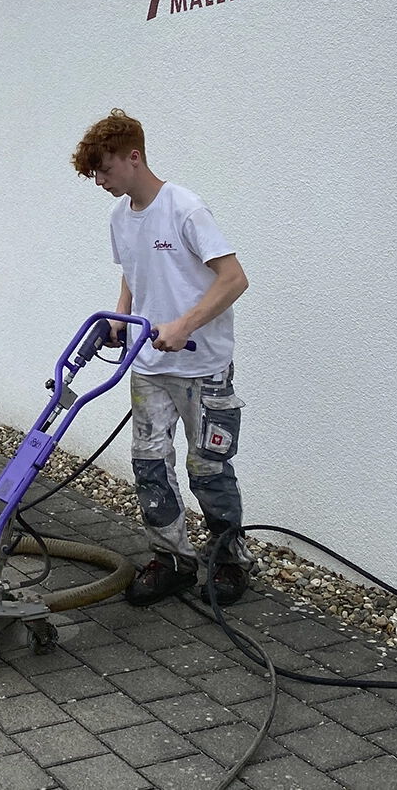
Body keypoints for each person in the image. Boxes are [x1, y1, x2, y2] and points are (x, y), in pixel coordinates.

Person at [72, 109, 252, 606]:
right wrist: (121, 316)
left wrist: (184, 325)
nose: (100, 181)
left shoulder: (185, 209)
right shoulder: (119, 217)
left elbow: (234, 278)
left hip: (202, 368)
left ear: (134, 157)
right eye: (94, 174)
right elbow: (133, 271)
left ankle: (229, 562)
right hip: (149, 366)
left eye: (105, 169)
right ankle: (172, 560)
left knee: (208, 468)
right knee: (150, 466)